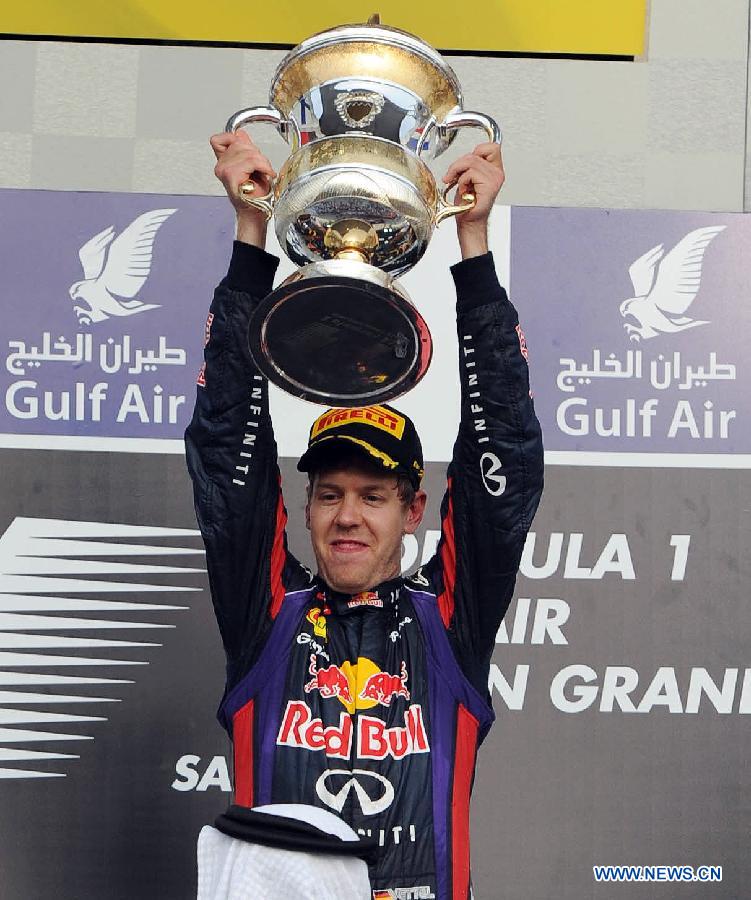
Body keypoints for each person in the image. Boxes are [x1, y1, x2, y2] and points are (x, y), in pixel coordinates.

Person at [185, 128, 544, 900]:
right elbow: (224, 457)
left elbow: (503, 471)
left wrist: (472, 249)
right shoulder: (266, 613)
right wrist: (253, 232)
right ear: (306, 505)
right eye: (329, 492)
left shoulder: (448, 620)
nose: (348, 515)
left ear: (413, 508)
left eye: (373, 495)